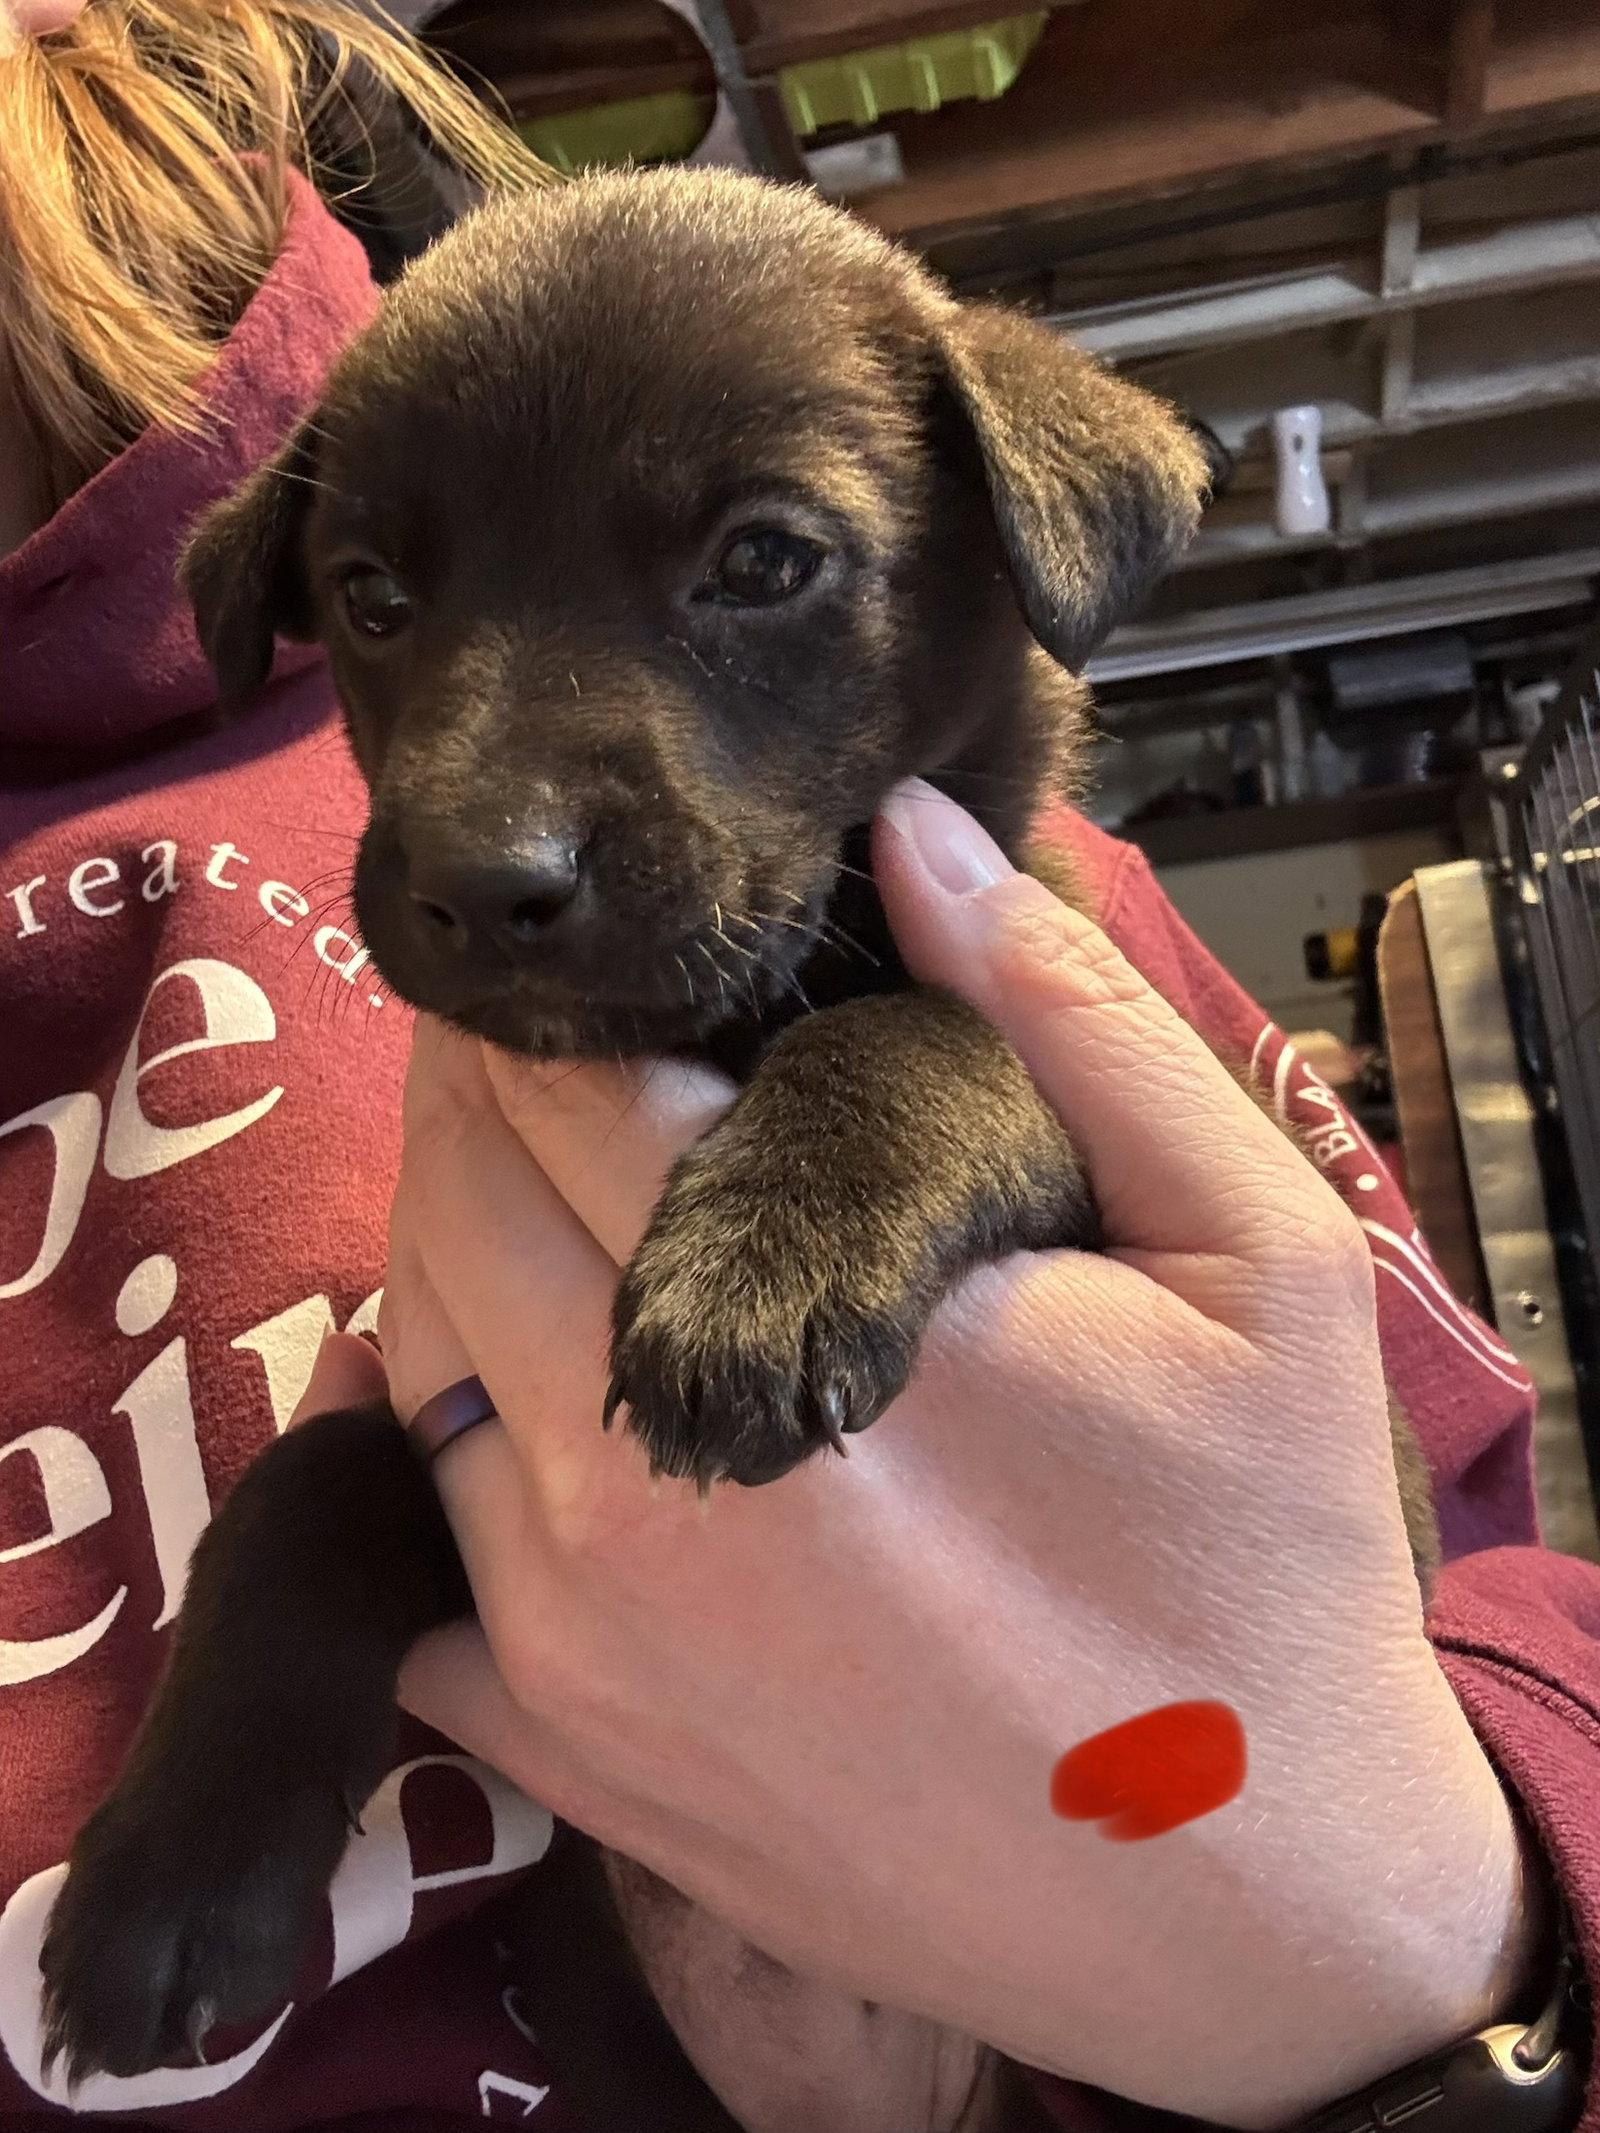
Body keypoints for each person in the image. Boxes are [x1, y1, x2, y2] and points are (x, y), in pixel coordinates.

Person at [0, 4, 1595, 2129]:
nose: (488, 822)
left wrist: (1404, 1944)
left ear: (989, 568)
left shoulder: (1056, 982)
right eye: (379, 598)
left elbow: (1437, 1549)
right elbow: (453, 1471)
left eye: (758, 565)